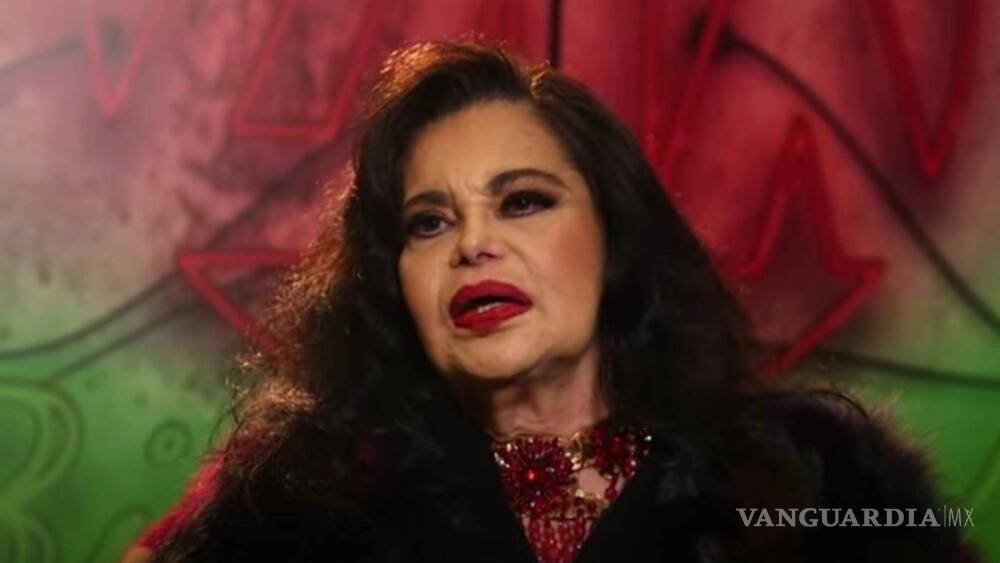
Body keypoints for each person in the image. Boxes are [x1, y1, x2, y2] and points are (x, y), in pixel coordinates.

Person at [122, 39, 981, 563]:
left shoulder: (818, 481)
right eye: (428, 222)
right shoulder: (303, 499)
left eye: (524, 201)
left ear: (615, 237)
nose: (472, 243)